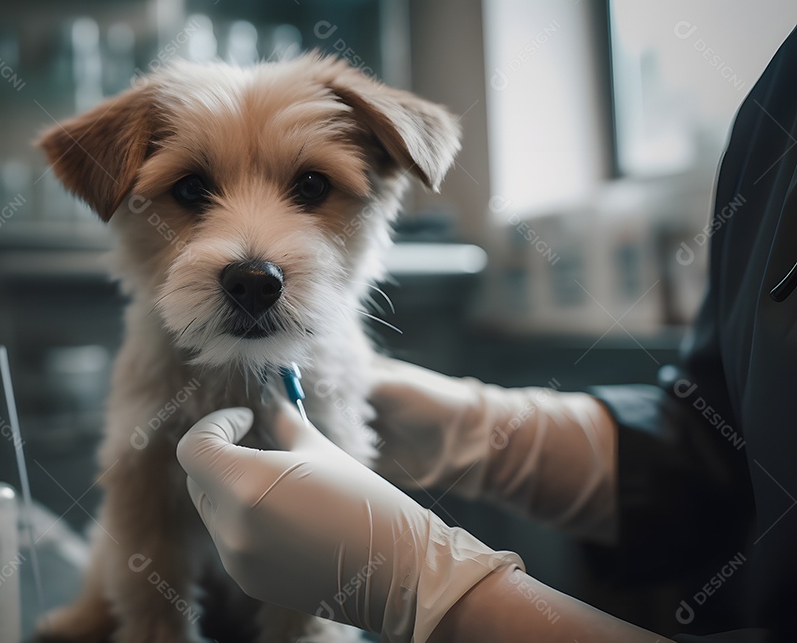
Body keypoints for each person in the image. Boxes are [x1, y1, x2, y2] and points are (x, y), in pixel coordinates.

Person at [177, 26, 797, 643]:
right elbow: (728, 436)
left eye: (310, 187)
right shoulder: (781, 86)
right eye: (196, 192)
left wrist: (444, 595)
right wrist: (484, 433)